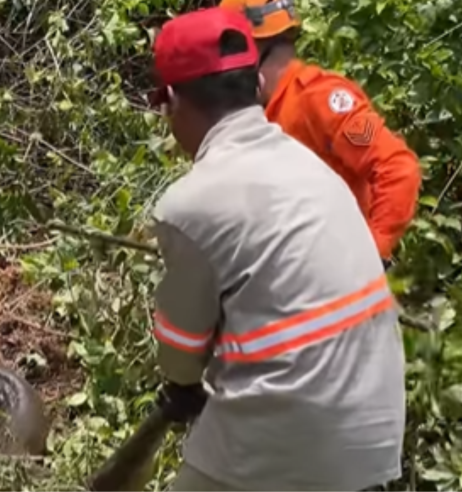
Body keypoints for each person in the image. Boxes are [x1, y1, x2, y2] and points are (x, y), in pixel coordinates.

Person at [147, 7, 405, 492]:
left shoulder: (188, 205)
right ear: (257, 85)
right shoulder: (311, 164)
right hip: (377, 432)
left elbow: (180, 358)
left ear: (174, 100)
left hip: (293, 435)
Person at [217, 0, 421, 268]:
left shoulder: (323, 100)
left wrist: (370, 253)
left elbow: (396, 166)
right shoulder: (254, 114)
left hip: (337, 279)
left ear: (250, 48)